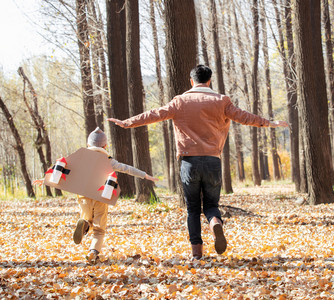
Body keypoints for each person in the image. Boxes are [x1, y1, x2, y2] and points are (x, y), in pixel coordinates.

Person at [108, 65, 289, 260]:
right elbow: (244, 117)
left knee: (192, 208)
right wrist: (270, 123)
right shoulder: (222, 101)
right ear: (209, 81)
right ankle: (215, 224)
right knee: (211, 205)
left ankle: (197, 253)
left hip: (189, 162)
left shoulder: (180, 102)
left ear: (191, 81)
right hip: (212, 160)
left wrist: (127, 122)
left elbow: (155, 114)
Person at [34, 127, 158, 264]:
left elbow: (60, 168)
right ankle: (93, 252)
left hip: (83, 197)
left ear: (88, 144)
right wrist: (145, 175)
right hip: (101, 196)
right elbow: (127, 168)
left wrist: (43, 179)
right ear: (105, 146)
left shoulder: (80, 156)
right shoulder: (108, 160)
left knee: (86, 218)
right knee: (99, 229)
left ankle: (85, 224)